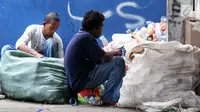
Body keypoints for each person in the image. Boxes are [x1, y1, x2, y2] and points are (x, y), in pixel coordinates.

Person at [64, 10, 125, 105]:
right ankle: (109, 98)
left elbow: (98, 59)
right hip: (81, 82)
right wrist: (115, 52)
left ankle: (109, 95)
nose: (101, 31)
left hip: (76, 80)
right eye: (101, 27)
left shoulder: (80, 36)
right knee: (119, 61)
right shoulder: (87, 38)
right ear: (94, 28)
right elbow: (104, 57)